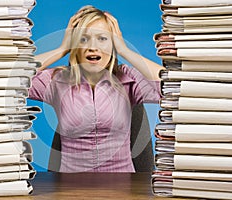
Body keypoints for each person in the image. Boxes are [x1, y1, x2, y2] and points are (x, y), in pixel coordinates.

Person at [29, 5, 164, 172]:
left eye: (102, 39)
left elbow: (170, 86)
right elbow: (10, 79)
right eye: (84, 39)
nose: (93, 47)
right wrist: (61, 50)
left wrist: (124, 50)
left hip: (122, 188)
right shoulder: (58, 80)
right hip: (71, 188)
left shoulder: (128, 79)